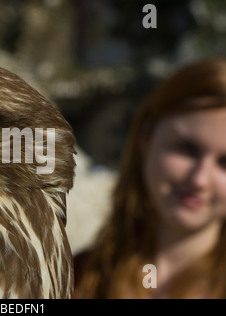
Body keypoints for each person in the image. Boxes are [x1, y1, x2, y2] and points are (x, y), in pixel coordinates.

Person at [72, 57, 226, 298]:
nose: (199, 179)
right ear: (146, 134)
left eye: (224, 164)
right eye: (187, 149)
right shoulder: (71, 278)